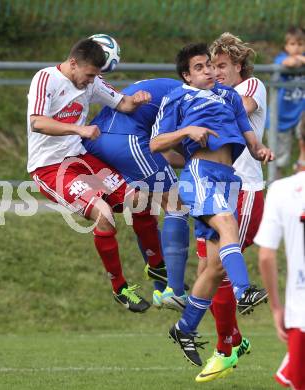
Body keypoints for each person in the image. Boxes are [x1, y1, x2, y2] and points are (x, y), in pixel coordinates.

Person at [150, 43, 273, 373]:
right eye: (201, 67)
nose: (209, 71)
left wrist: (260, 150)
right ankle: (244, 291)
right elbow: (156, 144)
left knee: (215, 266)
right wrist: (187, 131)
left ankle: (185, 327)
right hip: (200, 175)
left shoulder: (231, 97)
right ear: (187, 75)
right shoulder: (179, 97)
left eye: (211, 66)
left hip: (228, 178)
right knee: (228, 229)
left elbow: (250, 137)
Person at [27, 37, 162, 314]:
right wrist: (80, 130)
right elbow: (37, 122)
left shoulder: (91, 80)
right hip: (50, 167)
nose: (91, 82)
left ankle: (157, 266)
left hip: (81, 159)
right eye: (89, 75)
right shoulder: (45, 79)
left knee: (140, 199)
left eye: (95, 77)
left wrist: (137, 100)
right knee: (103, 214)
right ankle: (120, 287)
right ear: (73, 63)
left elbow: (122, 103)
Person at [190, 32, 267, 382]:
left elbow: (238, 111)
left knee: (218, 267)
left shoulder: (252, 88)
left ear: (239, 66)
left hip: (246, 191)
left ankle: (226, 349)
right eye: (211, 67)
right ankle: (233, 339)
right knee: (207, 269)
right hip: (216, 189)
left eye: (222, 66)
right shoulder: (213, 94)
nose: (217, 72)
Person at [83, 78, 191, 310]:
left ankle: (160, 287)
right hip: (125, 140)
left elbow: (161, 154)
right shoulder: (190, 97)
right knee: (176, 205)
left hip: (99, 141)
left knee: (141, 204)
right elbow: (161, 146)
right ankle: (174, 289)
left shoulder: (166, 89)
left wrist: (194, 162)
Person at [254, 120, 305, 390]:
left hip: (301, 313)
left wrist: (276, 308)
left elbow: (266, 256)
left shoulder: (282, 190)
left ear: (299, 142)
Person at [271, 26, 305, 178]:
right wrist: (298, 61)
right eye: (292, 44)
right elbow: (288, 63)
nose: (296, 48)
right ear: (285, 46)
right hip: (282, 117)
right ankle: (275, 184)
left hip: (300, 114)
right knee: (280, 158)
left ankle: (300, 168)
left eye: (300, 44)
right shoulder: (280, 59)